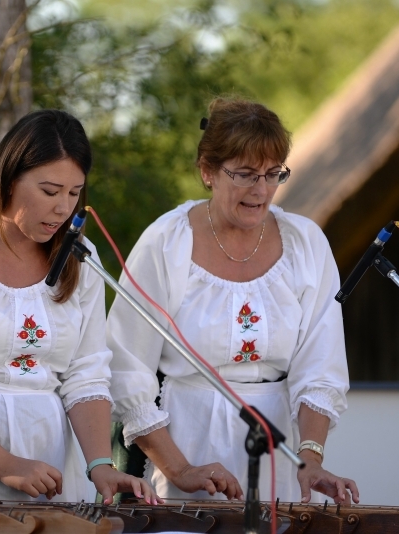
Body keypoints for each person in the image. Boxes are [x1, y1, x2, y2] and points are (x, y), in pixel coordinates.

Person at [107, 97, 360, 504]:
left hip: (277, 446)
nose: (261, 190)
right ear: (208, 172)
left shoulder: (305, 242)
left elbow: (321, 365)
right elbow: (126, 366)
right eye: (245, 174)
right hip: (184, 441)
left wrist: (310, 457)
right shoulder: (167, 240)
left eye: (273, 174)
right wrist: (180, 469)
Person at [0, 110, 157, 506]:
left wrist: (100, 465)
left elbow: (86, 373)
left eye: (74, 194)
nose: (62, 208)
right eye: (50, 191)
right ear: (9, 179)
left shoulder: (80, 257)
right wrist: (6, 464)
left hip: (51, 461)